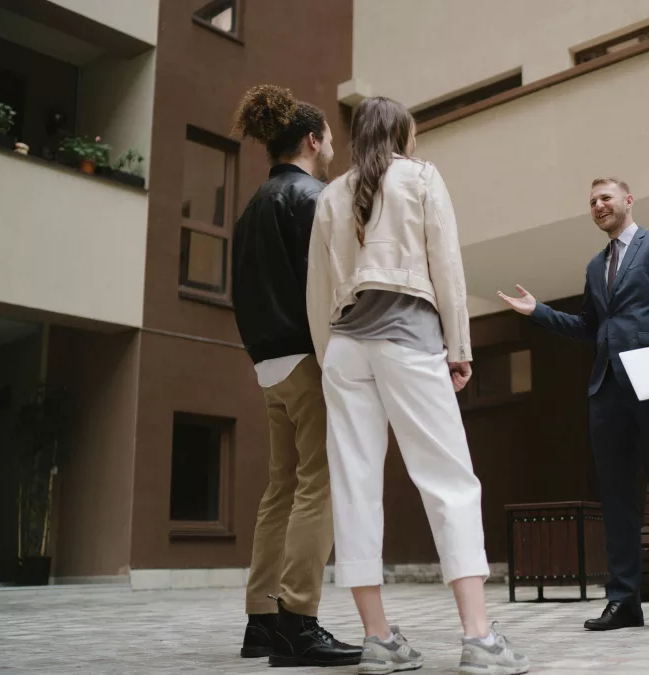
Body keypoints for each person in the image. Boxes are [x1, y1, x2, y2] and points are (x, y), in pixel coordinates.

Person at [306, 96, 530, 675]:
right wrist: (459, 349)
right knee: (449, 480)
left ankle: (377, 639)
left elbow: (316, 291)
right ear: (404, 134)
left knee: (354, 487)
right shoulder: (421, 177)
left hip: (345, 348)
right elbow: (446, 267)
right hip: (408, 338)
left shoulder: (330, 194)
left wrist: (330, 358)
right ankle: (479, 639)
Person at [498, 177, 649, 634]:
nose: (598, 205)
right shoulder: (596, 266)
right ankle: (624, 601)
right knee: (616, 501)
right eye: (591, 201)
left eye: (605, 197)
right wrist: (539, 312)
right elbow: (592, 326)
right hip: (606, 393)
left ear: (628, 201)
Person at [230, 84, 363, 667]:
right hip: (308, 359)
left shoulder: (252, 207)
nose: (334, 145)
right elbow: (334, 284)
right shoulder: (315, 197)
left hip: (266, 364)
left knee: (281, 487)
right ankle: (298, 621)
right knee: (320, 484)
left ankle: (261, 620)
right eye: (330, 136)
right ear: (312, 139)